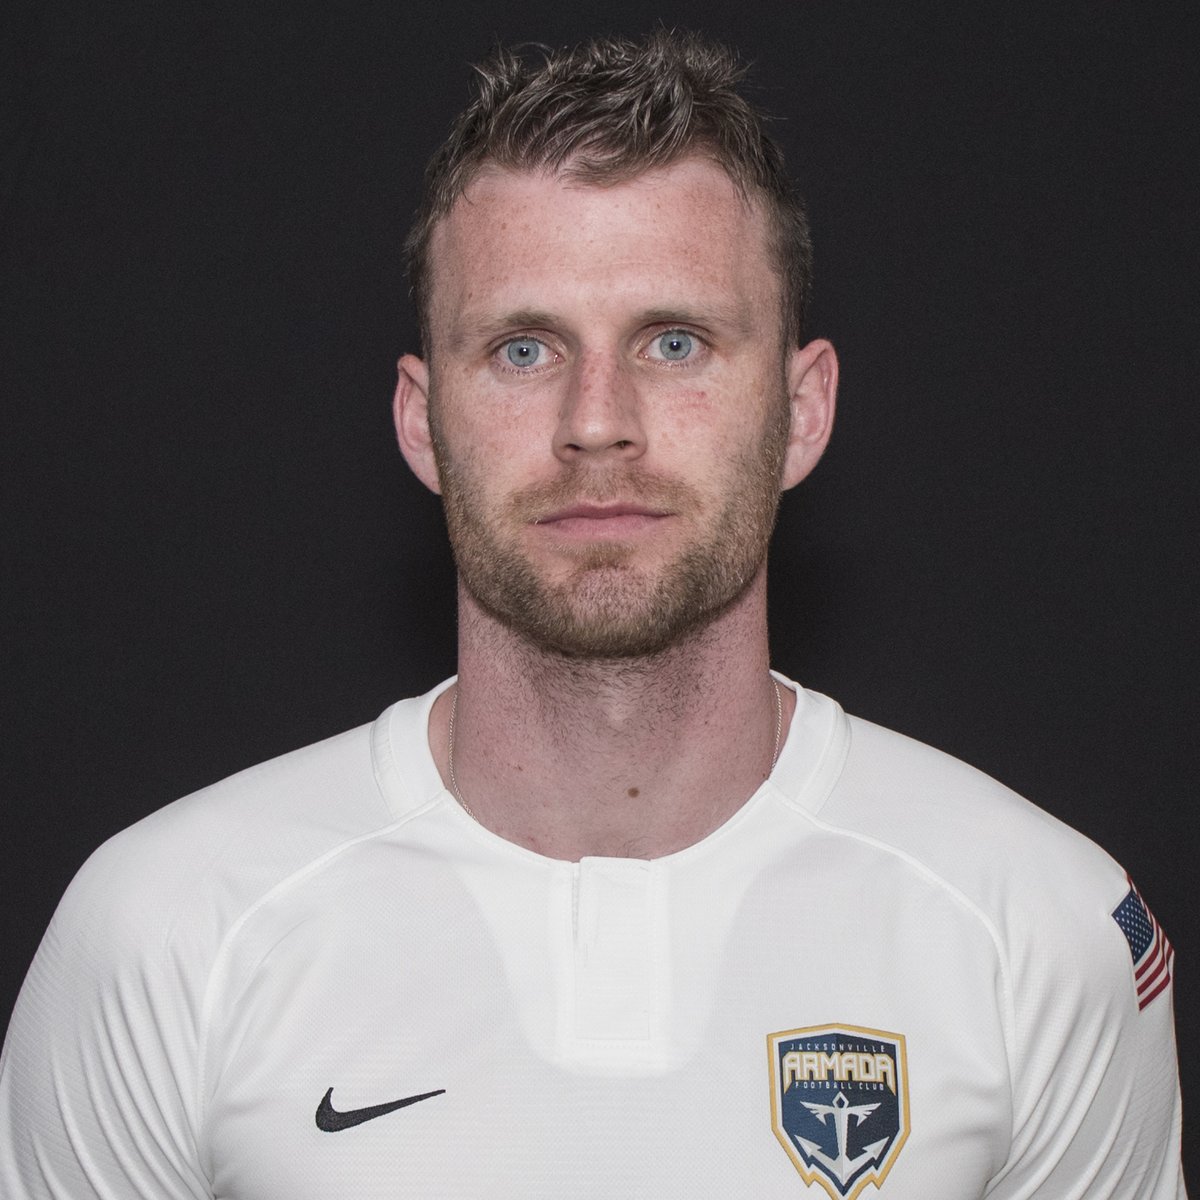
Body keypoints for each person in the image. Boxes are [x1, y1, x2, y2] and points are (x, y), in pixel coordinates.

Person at [0, 30, 1185, 1200]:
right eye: (524, 350)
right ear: (421, 422)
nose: (598, 422)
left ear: (803, 410)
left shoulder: (1038, 925)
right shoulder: (168, 931)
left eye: (675, 343)